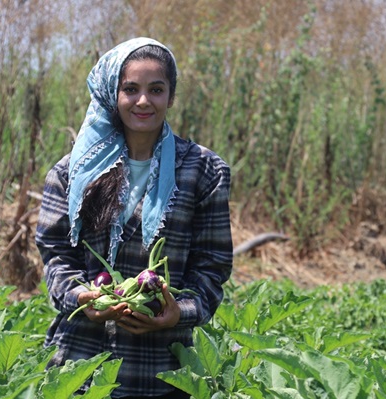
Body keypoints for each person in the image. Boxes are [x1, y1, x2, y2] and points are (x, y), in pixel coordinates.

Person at [35, 37, 233, 398]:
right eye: (131, 89)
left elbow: (212, 265)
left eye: (156, 90)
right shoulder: (71, 173)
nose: (143, 101)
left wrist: (179, 312)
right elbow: (55, 255)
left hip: (161, 371)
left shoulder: (204, 171)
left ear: (171, 97)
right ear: (114, 93)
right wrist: (83, 297)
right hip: (79, 366)